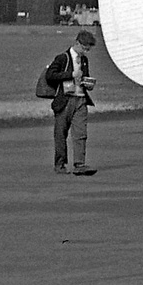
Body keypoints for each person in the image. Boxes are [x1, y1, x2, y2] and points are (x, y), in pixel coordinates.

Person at [46, 29, 98, 176]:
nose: (86, 51)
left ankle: (79, 164)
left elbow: (83, 77)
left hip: (81, 99)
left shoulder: (84, 60)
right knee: (61, 134)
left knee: (81, 133)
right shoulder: (63, 58)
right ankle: (60, 164)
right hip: (65, 100)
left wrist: (88, 83)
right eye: (84, 48)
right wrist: (70, 74)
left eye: (88, 49)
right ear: (77, 43)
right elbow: (50, 75)